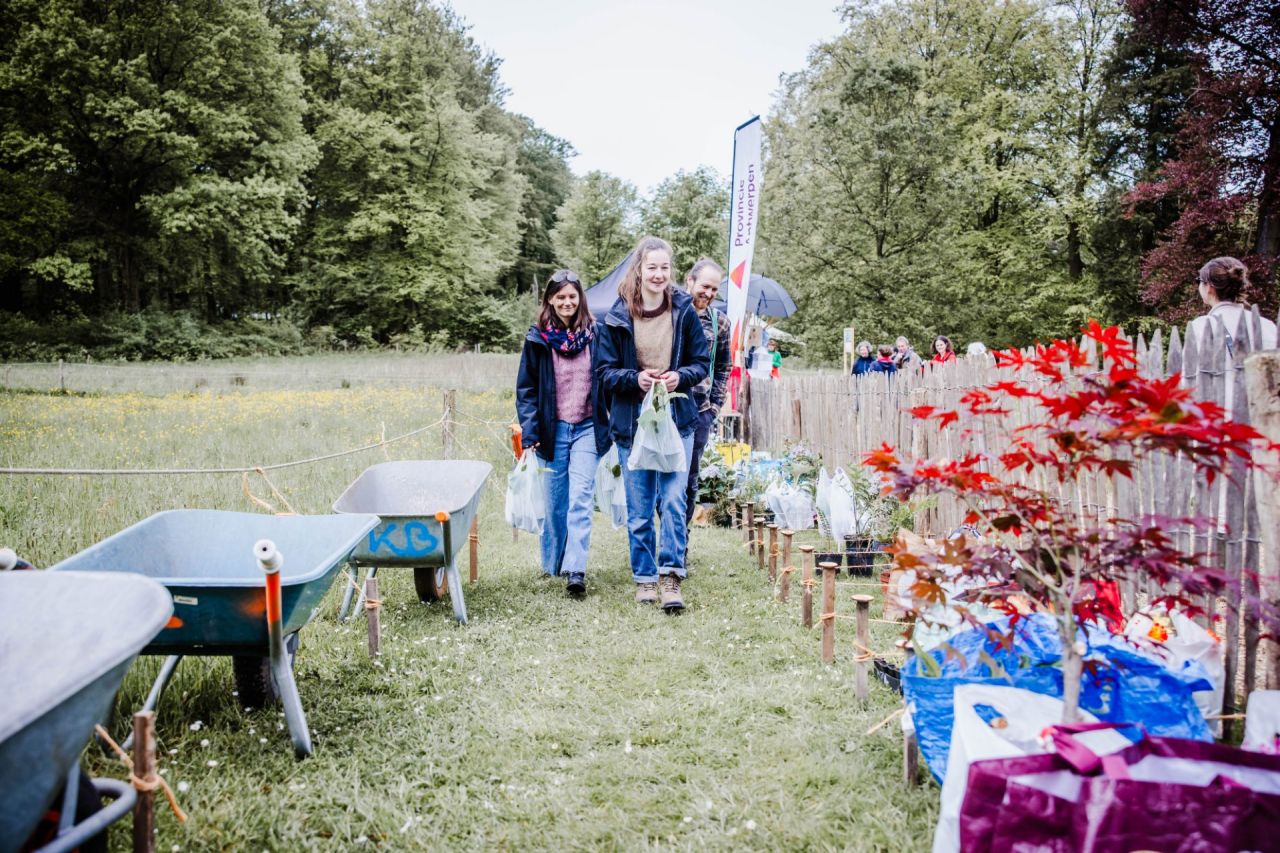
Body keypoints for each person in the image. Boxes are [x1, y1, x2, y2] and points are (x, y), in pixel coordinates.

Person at [597, 236, 709, 611]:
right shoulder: (617, 315)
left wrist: (681, 377)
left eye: (664, 267)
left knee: (675, 501)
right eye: (652, 268)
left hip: (678, 420)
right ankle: (645, 578)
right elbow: (604, 372)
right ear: (639, 270)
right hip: (633, 423)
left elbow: (701, 362)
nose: (659, 275)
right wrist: (635, 379)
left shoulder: (684, 310)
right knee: (641, 506)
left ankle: (671, 576)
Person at [515, 269, 611, 597]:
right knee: (555, 502)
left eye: (572, 296)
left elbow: (608, 377)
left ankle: (576, 569)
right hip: (552, 430)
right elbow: (526, 389)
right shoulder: (538, 339)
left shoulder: (597, 335)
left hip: (587, 427)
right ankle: (554, 563)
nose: (567, 302)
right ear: (551, 300)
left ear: (580, 299)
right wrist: (530, 431)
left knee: (580, 498)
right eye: (561, 297)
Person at [684, 258, 731, 534]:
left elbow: (724, 366)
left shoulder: (720, 322)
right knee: (661, 480)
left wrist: (714, 407)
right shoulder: (671, 314)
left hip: (699, 411)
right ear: (690, 280)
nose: (709, 293)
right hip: (665, 408)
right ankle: (665, 539)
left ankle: (681, 544)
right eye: (705, 286)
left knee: (689, 480)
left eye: (715, 289)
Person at [1189, 256, 1278, 353]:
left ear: (1209, 287)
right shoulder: (1267, 326)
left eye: (1199, 281)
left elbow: (1190, 366)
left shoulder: (1202, 325)